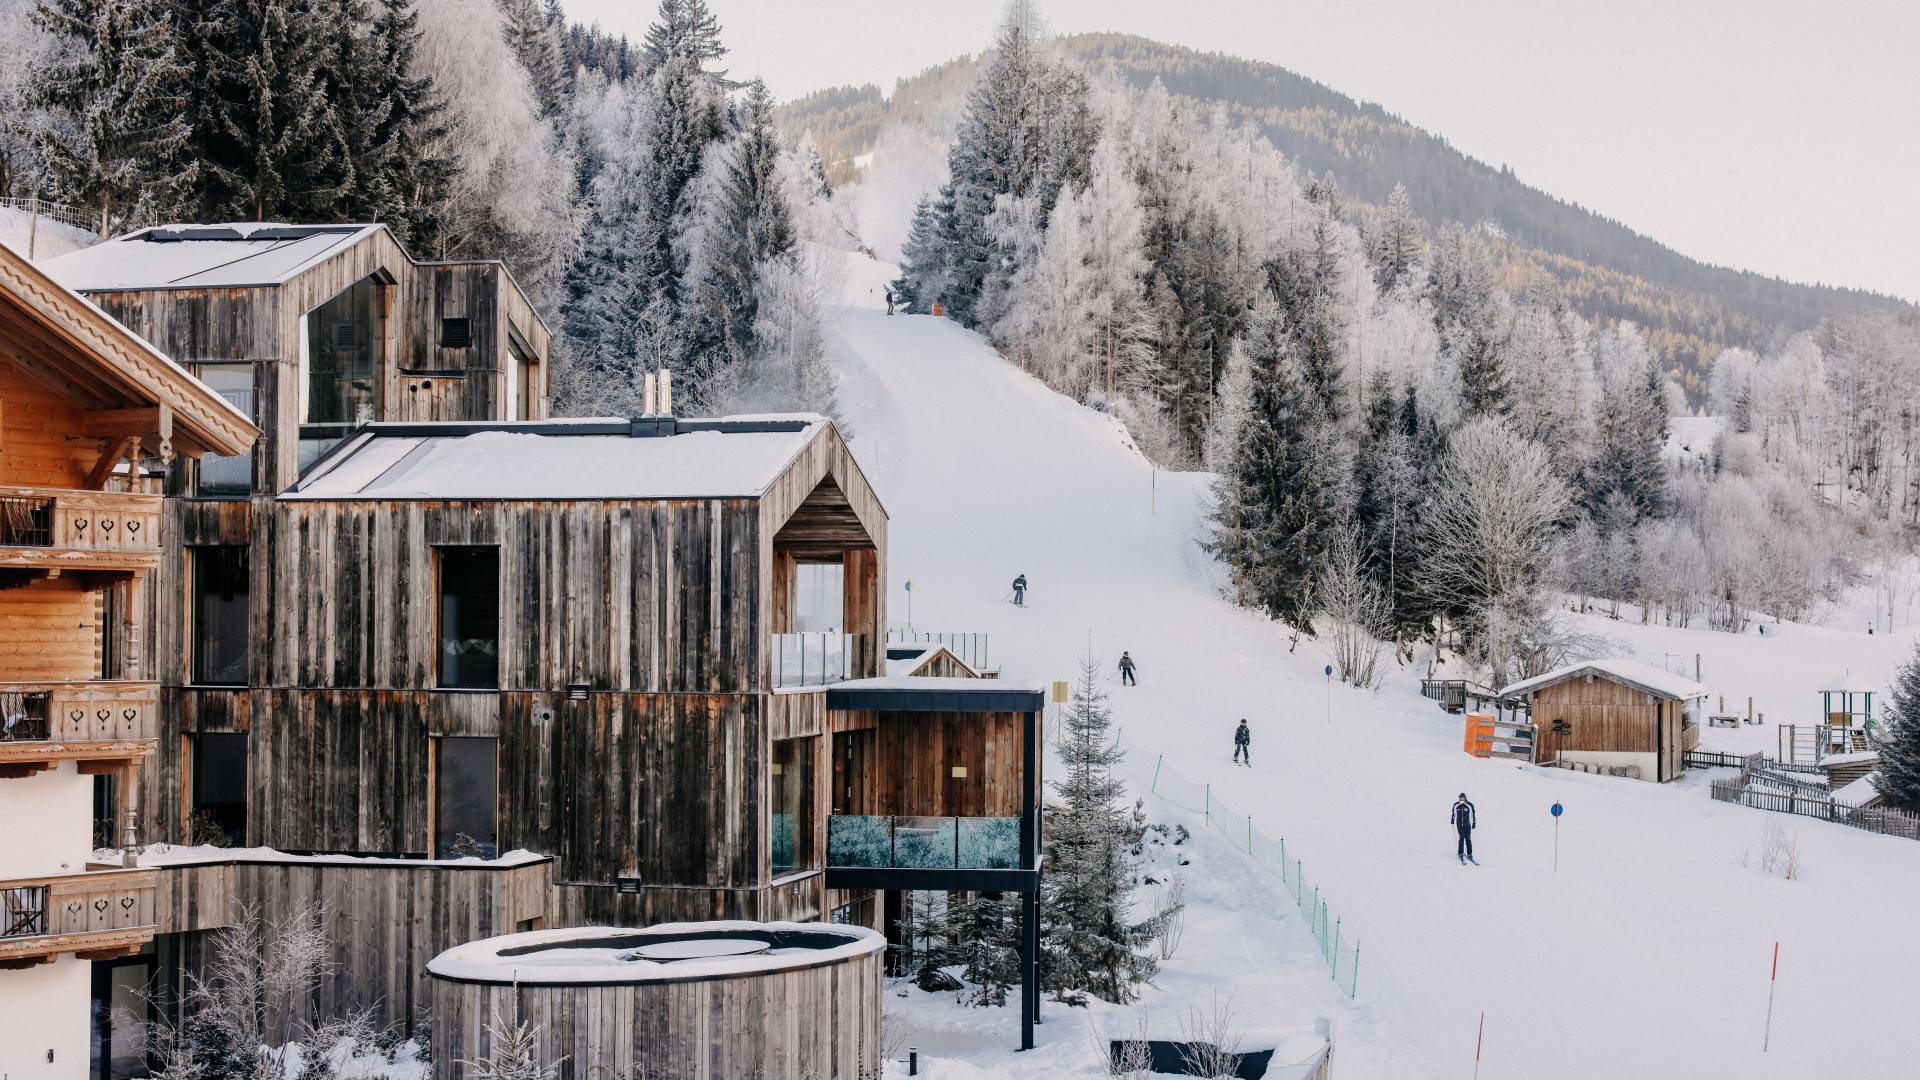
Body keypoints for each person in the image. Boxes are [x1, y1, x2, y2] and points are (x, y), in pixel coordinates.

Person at [1451, 792, 1477, 864]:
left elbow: (1473, 814)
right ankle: (1460, 853)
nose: (1461, 799)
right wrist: (1452, 819)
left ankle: (1469, 854)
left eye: (1463, 798)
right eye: (1460, 798)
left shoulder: (1469, 805)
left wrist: (1474, 823)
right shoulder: (1456, 805)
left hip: (1467, 825)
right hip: (1459, 825)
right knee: (1461, 838)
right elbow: (1453, 813)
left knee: (1468, 839)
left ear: (1465, 798)